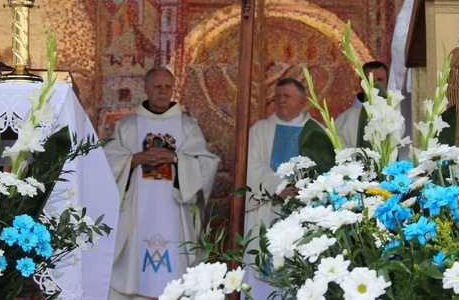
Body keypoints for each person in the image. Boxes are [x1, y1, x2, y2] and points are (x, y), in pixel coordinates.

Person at [104, 68, 220, 299]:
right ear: (146, 88)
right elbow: (107, 160)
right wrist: (134, 159)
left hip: (175, 207)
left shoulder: (187, 126)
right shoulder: (128, 126)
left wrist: (175, 158)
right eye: (157, 86)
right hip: (138, 209)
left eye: (168, 86)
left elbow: (207, 163)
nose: (163, 91)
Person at [243, 77, 322, 298]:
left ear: (302, 101)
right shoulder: (260, 130)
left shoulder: (316, 130)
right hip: (268, 208)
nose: (280, 101)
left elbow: (326, 168)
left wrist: (302, 187)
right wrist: (277, 186)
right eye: (277, 96)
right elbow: (250, 164)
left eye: (287, 96)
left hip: (302, 210)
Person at [335, 61, 389, 149]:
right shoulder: (345, 120)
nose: (375, 85)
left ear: (387, 83)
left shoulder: (393, 115)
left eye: (380, 80)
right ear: (361, 84)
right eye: (369, 80)